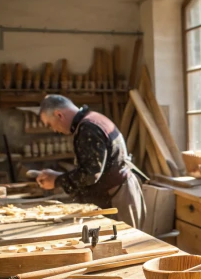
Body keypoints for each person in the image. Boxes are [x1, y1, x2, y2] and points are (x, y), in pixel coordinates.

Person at [35, 95, 146, 229]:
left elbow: (90, 175)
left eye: (50, 124)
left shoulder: (88, 128)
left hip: (118, 196)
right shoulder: (92, 118)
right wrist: (57, 176)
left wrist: (58, 180)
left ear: (59, 115)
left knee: (124, 244)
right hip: (116, 191)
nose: (54, 130)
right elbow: (91, 167)